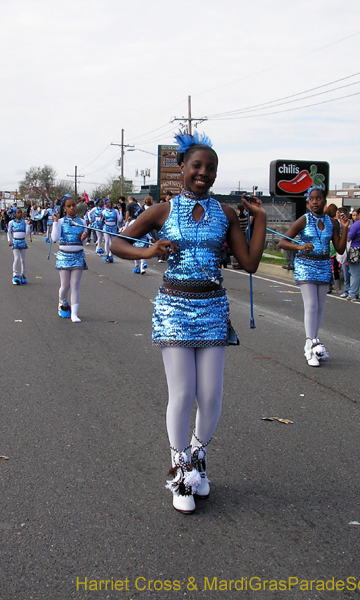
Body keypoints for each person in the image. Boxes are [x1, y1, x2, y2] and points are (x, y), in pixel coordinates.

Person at [110, 132, 266, 515]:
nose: (203, 173)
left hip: (212, 309)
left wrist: (259, 219)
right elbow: (116, 243)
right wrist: (149, 249)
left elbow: (249, 263)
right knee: (182, 393)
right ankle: (180, 470)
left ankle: (198, 456)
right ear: (182, 168)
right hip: (175, 309)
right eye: (196, 166)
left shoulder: (226, 214)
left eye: (210, 168)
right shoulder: (162, 211)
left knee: (211, 395)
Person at [279, 187, 349, 366]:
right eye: (312, 199)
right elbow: (283, 241)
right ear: (308, 202)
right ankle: (310, 345)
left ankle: (314, 341)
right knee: (311, 305)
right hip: (306, 264)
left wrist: (346, 229)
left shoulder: (332, 222)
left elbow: (340, 249)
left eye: (318, 198)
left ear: (324, 201)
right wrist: (300, 247)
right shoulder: (303, 220)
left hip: (324, 264)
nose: (315, 202)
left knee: (320, 306)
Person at [52, 196, 88, 322]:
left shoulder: (82, 222)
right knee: (65, 286)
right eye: (69, 206)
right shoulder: (61, 221)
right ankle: (62, 302)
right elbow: (54, 238)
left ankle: (74, 313)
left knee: (75, 285)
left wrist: (84, 236)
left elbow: (85, 239)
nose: (72, 208)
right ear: (65, 208)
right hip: (64, 256)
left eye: (74, 205)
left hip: (78, 255)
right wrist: (55, 223)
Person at [7, 207, 30, 284]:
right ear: (15, 214)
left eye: (21, 212)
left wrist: (28, 225)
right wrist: (9, 240)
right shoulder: (11, 222)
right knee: (16, 258)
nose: (20, 214)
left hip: (22, 241)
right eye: (18, 212)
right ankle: (14, 274)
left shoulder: (25, 222)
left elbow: (27, 232)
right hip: (15, 242)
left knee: (23, 259)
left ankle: (23, 274)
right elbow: (9, 232)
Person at [101, 198, 123, 262]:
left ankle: (111, 255)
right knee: (107, 241)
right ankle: (107, 254)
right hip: (106, 227)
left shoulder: (115, 211)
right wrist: (101, 217)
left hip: (113, 227)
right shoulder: (104, 211)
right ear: (106, 204)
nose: (110, 204)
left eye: (111, 203)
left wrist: (120, 211)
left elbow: (120, 219)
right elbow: (100, 220)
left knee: (112, 243)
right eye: (108, 203)